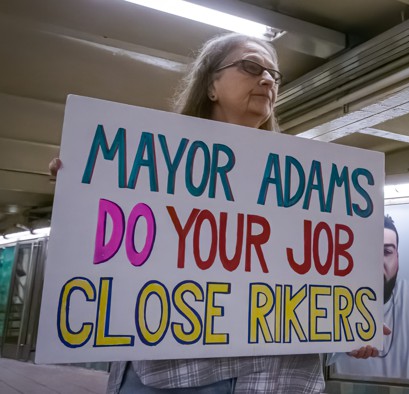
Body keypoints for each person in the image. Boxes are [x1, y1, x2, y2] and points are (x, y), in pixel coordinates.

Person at [51, 33, 325, 393]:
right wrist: (83, 192)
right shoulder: (148, 167)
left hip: (278, 378)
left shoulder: (305, 184)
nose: (267, 80)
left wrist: (350, 323)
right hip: (174, 374)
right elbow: (112, 254)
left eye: (274, 75)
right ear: (211, 84)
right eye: (251, 66)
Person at [330, 214, 409, 380]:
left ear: (397, 257)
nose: (377, 261)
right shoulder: (333, 303)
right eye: (369, 251)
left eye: (386, 251)